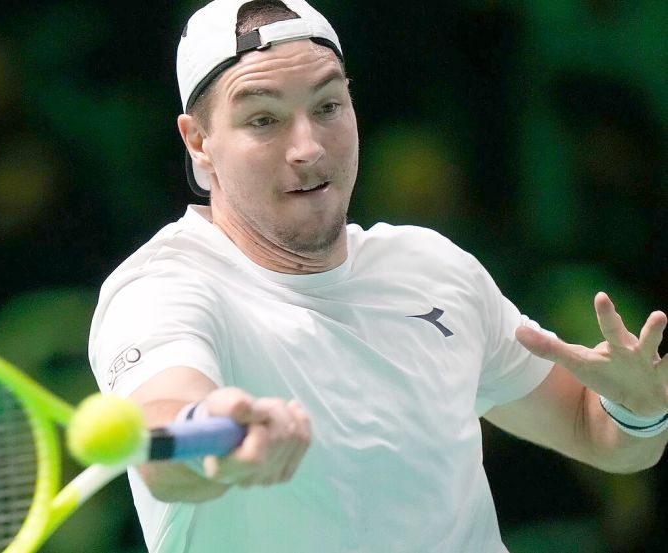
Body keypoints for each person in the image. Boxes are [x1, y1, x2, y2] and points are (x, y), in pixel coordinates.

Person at [87, 1, 668, 551]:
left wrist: (639, 410)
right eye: (263, 119)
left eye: (327, 107)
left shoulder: (433, 268)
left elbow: (593, 432)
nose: (308, 147)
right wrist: (212, 437)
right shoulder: (159, 288)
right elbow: (162, 427)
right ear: (199, 142)